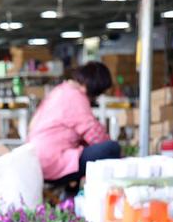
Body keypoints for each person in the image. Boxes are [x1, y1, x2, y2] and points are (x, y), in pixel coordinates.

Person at [27, 61, 121, 189]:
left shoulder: (61, 91)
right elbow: (96, 136)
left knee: (81, 150)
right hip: (52, 163)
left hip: (36, 161)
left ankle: (70, 197)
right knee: (111, 149)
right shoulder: (75, 97)